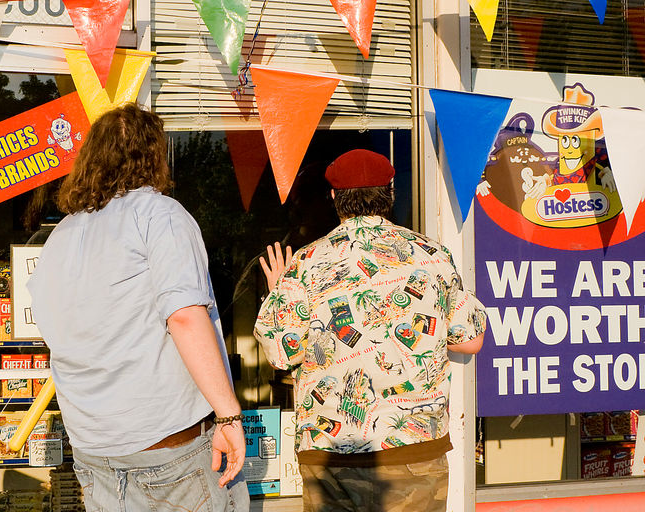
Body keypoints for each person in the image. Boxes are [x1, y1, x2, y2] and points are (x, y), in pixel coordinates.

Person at [27, 103, 249, 512]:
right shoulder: (160, 215)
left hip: (94, 449)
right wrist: (229, 417)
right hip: (166, 447)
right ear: (153, 157)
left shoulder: (62, 235)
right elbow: (184, 315)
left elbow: (54, 328)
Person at [254, 149, 487, 511]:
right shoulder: (433, 256)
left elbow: (281, 354)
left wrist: (277, 292)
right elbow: (471, 340)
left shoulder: (307, 263)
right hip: (414, 453)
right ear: (391, 192)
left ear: (333, 197)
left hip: (330, 460)